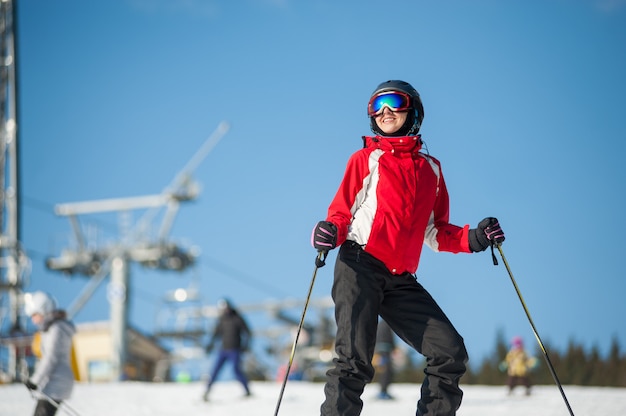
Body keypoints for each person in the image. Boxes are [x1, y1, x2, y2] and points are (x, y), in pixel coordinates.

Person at [311, 79, 505, 416]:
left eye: (393, 102)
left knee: (449, 351)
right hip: (360, 265)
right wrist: (329, 230)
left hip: (400, 279)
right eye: (376, 106)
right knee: (354, 361)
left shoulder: (431, 170)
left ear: (412, 110)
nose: (384, 112)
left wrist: (476, 237)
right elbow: (341, 212)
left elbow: (437, 231)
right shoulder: (366, 159)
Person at [23, 291, 76, 416]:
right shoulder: (50, 329)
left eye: (35, 315)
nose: (33, 320)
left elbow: (51, 358)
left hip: (57, 382)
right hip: (53, 382)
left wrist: (35, 381)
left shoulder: (56, 329)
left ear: (43, 310)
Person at [202, 298, 252, 401]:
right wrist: (210, 346)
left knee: (236, 370)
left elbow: (247, 332)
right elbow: (216, 334)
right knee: (215, 371)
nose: (225, 310)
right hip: (223, 350)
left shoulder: (237, 318)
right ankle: (207, 391)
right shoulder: (222, 320)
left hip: (235, 350)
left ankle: (247, 391)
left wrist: (246, 346)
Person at [374, 318, 395, 400]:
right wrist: (393, 347)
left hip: (379, 350)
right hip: (385, 350)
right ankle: (383, 392)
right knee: (386, 371)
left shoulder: (379, 324)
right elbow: (390, 337)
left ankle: (383, 391)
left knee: (383, 370)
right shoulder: (388, 324)